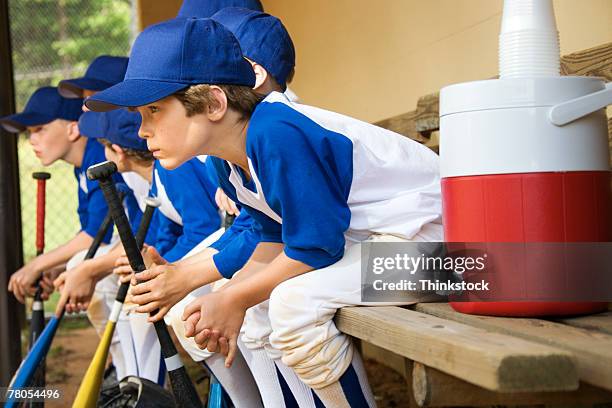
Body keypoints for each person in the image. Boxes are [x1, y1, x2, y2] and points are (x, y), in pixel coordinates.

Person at [86, 17, 443, 407]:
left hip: (453, 260)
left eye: (154, 110)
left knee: (293, 304)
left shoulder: (276, 131)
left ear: (214, 103)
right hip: (389, 249)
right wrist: (196, 279)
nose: (142, 130)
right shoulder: (227, 158)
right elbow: (265, 231)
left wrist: (233, 297)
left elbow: (315, 246)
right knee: (258, 306)